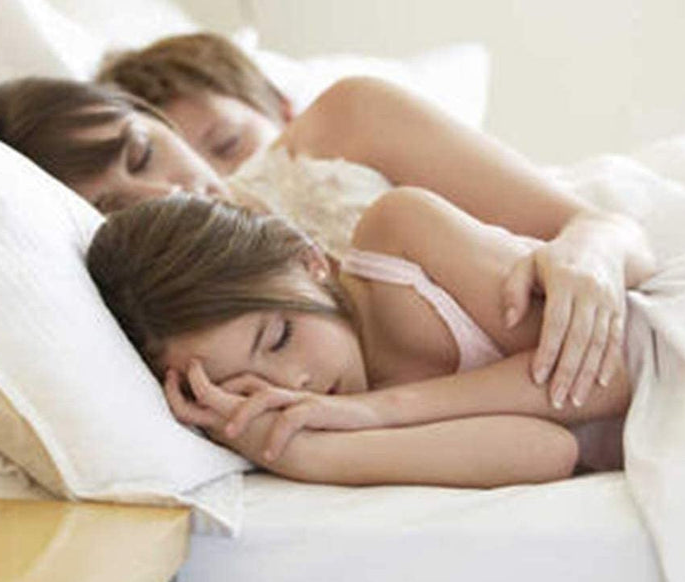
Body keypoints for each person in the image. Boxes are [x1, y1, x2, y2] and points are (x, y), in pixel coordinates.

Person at [0, 36, 656, 412]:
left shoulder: (349, 120)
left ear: (154, 119)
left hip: (617, 323)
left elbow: (610, 229)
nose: (171, 189)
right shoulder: (175, 321)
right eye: (118, 209)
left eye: (143, 153)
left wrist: (588, 253)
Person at [85, 185, 631, 488]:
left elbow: (608, 379)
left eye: (278, 337)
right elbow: (548, 451)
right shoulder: (313, 423)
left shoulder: (401, 240)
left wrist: (377, 411)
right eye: (245, 386)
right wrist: (304, 454)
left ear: (307, 259)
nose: (295, 384)